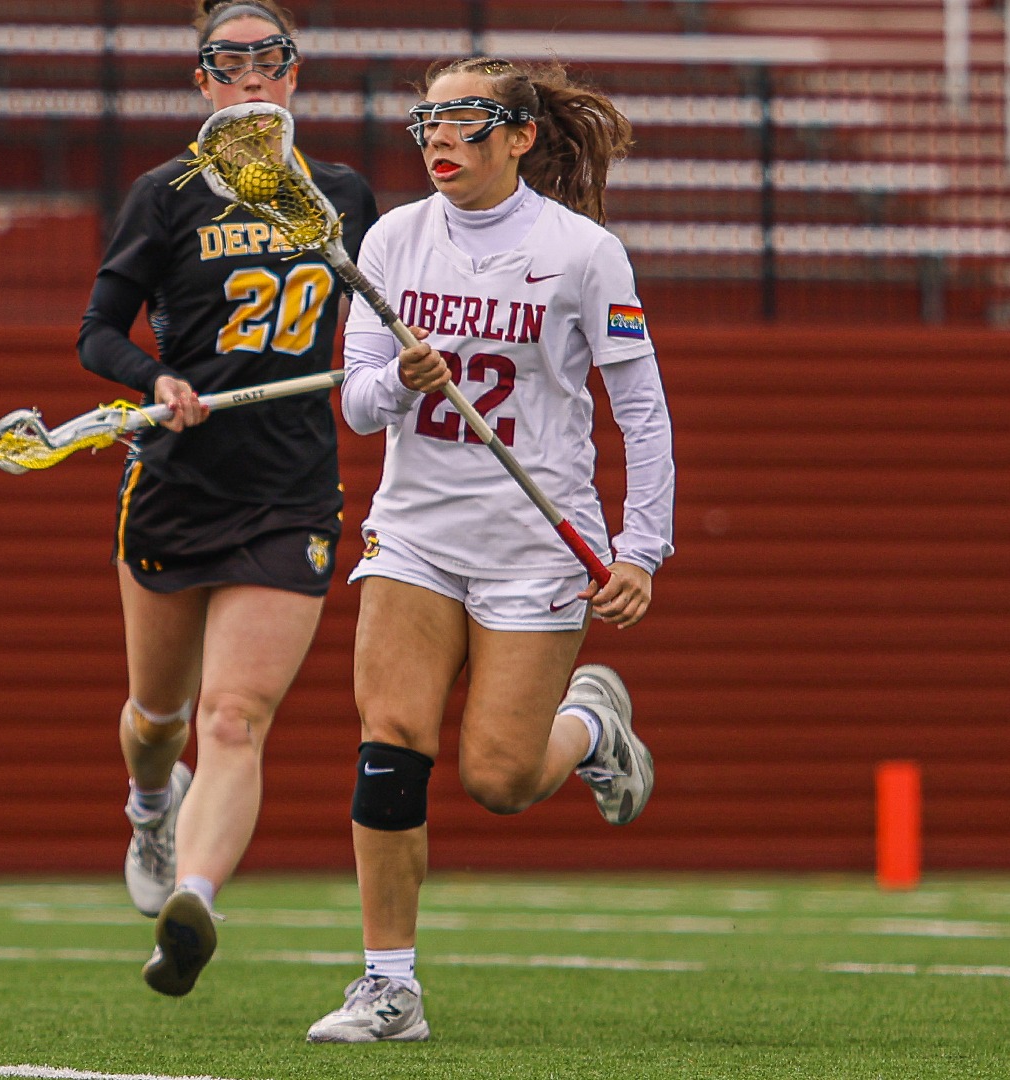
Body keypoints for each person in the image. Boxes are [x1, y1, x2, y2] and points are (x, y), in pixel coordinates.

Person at [306, 56, 675, 1044]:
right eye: (427, 117)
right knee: (389, 750)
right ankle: (389, 988)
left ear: (517, 136)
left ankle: (591, 727)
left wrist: (642, 547)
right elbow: (356, 399)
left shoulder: (585, 253)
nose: (439, 135)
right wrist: (404, 382)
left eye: (466, 117)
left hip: (534, 542)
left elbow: (639, 410)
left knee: (502, 781)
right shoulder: (390, 239)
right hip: (417, 532)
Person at [75, 0, 376, 998]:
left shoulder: (341, 199)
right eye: (228, 61)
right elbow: (99, 334)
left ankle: (191, 903)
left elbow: (379, 333)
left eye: (269, 59)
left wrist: (405, 359)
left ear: (295, 74)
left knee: (235, 716)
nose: (251, 77)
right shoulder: (165, 195)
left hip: (289, 492)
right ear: (202, 82)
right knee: (158, 717)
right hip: (176, 483)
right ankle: (151, 806)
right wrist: (153, 381)